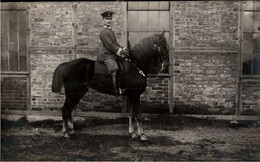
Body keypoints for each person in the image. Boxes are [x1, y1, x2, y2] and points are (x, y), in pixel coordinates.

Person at [98, 11, 129, 95]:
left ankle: (122, 85)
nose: (109, 20)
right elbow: (109, 45)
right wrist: (120, 51)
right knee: (114, 68)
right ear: (103, 20)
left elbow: (115, 43)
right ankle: (114, 89)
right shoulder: (103, 32)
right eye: (107, 19)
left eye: (110, 19)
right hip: (106, 55)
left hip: (112, 54)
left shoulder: (110, 31)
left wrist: (123, 48)